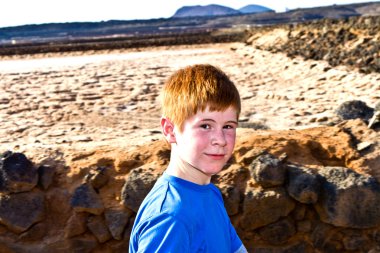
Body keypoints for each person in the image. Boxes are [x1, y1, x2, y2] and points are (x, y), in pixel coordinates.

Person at [129, 64, 248, 253]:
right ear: (170, 130)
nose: (220, 140)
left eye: (228, 126)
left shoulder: (209, 193)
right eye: (206, 126)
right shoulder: (170, 217)